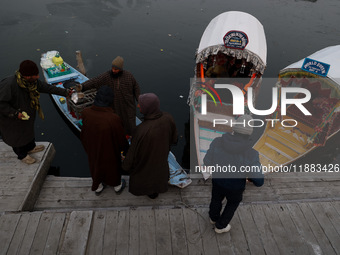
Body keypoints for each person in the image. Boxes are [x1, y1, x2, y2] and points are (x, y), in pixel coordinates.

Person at [0, 60, 70, 164]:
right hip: (12, 119)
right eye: (35, 75)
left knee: (28, 132)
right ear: (27, 76)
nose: (38, 77)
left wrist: (65, 92)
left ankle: (30, 148)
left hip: (26, 116)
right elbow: (1, 104)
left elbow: (46, 87)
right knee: (17, 137)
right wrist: (15, 114)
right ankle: (22, 155)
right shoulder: (9, 84)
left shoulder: (32, 82)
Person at [203, 115, 264, 233]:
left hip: (217, 181)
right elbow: (259, 181)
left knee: (216, 198)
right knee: (232, 204)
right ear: (249, 134)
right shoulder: (252, 154)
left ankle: (213, 218)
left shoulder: (217, 142)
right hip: (235, 187)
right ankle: (220, 226)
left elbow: (207, 161)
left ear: (234, 129)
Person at [122, 93, 178, 199]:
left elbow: (132, 154)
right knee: (159, 173)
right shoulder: (168, 117)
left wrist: (125, 165)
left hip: (147, 161)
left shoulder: (141, 130)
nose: (138, 106)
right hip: (161, 157)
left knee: (146, 176)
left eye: (140, 105)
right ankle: (156, 190)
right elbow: (174, 139)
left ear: (148, 108)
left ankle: (150, 192)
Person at [80, 86, 129, 195]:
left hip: (92, 147)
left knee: (95, 165)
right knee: (112, 167)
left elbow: (84, 131)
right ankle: (117, 186)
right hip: (109, 149)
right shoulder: (113, 118)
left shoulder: (86, 112)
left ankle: (98, 186)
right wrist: (125, 151)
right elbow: (121, 139)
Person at [79, 56, 140, 136]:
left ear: (121, 69)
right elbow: (95, 81)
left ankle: (133, 138)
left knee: (130, 123)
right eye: (112, 68)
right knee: (117, 123)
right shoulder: (107, 76)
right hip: (115, 106)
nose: (113, 70)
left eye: (116, 69)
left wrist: (139, 100)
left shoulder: (129, 76)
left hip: (128, 106)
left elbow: (136, 87)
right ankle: (121, 138)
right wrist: (82, 86)